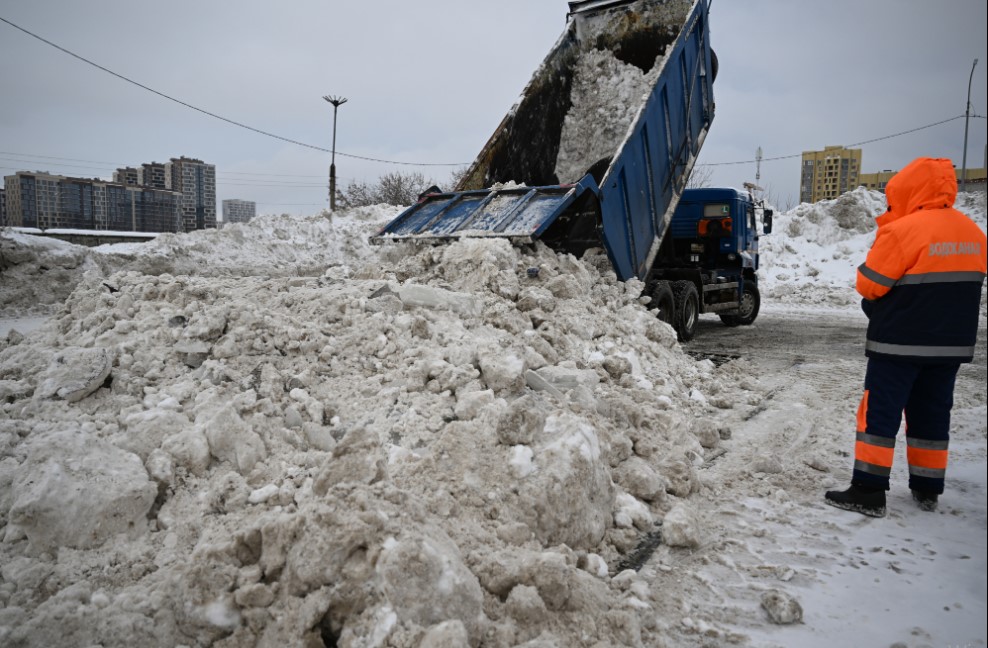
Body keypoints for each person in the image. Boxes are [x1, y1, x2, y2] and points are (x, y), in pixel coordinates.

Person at [825, 157, 987, 517]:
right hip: (950, 346)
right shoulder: (974, 234)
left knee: (879, 415)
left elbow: (870, 284)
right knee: (932, 414)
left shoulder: (905, 230)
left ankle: (868, 489)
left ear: (909, 190)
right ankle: (927, 488)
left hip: (899, 343)